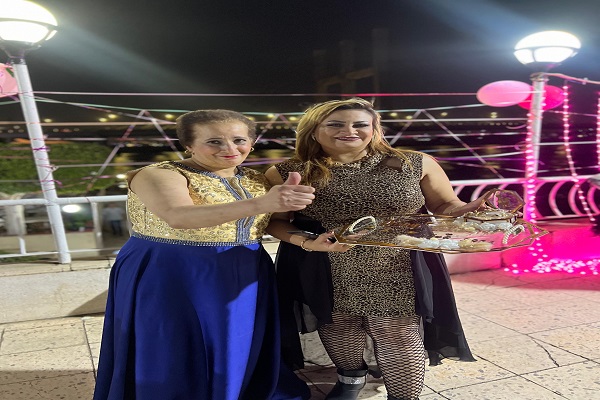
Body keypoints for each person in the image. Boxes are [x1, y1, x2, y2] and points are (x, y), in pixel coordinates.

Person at [265, 98, 487, 400]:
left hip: (397, 264)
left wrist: (472, 209)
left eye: (360, 124)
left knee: (397, 330)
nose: (349, 131)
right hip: (326, 263)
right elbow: (276, 222)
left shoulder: (414, 163)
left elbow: (445, 205)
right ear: (313, 131)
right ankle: (350, 379)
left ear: (374, 129)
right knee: (338, 325)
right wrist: (306, 242)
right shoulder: (288, 172)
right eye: (335, 124)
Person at [93, 109, 314, 400]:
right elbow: (178, 216)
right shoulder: (157, 174)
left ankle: (236, 390)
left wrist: (309, 240)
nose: (230, 148)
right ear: (188, 145)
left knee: (236, 335)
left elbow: (271, 222)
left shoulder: (256, 179)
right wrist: (264, 203)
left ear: (252, 142)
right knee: (172, 338)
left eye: (239, 140)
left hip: (246, 267)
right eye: (214, 142)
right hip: (171, 269)